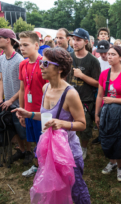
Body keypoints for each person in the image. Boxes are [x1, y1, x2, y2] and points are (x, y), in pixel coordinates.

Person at [12, 47, 91, 204]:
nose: (41, 66)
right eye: (41, 62)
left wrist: (61, 123)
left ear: (60, 68)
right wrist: (30, 114)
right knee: (55, 192)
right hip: (50, 152)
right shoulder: (45, 87)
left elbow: (82, 124)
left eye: (45, 63)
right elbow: (49, 117)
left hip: (69, 155)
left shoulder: (70, 94)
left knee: (76, 193)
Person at [95, 45, 121, 181]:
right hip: (105, 112)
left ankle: (120, 167)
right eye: (108, 54)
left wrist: (114, 100)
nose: (109, 57)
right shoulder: (104, 74)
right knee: (106, 137)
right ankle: (112, 162)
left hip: (120, 114)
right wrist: (97, 114)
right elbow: (100, 96)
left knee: (118, 140)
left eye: (113, 54)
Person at [68, 28, 101, 160]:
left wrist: (82, 76)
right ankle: (70, 146)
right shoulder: (68, 57)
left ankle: (83, 148)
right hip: (69, 98)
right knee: (68, 124)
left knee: (85, 127)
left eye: (78, 40)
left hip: (85, 100)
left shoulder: (93, 60)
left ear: (86, 41)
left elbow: (98, 83)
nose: (75, 42)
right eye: (73, 39)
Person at [19, 31, 48, 175]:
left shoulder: (45, 64)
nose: (21, 48)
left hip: (41, 113)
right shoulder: (23, 64)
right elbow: (22, 88)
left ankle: (45, 168)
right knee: (36, 142)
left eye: (25, 45)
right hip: (28, 111)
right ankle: (38, 167)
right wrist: (21, 111)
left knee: (44, 143)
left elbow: (51, 92)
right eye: (20, 45)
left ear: (36, 45)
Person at [0, 28, 29, 163]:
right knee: (13, 128)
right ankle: (22, 150)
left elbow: (24, 85)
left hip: (19, 102)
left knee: (23, 128)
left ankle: (29, 152)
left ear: (8, 40)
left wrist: (11, 100)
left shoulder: (19, 60)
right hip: (7, 102)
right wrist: (1, 98)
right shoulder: (1, 58)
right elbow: (1, 79)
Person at [91, 40, 111, 145]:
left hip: (111, 92)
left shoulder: (113, 60)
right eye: (101, 52)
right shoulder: (97, 60)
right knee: (99, 113)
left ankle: (108, 135)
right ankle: (100, 135)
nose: (103, 55)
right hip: (99, 91)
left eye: (105, 52)